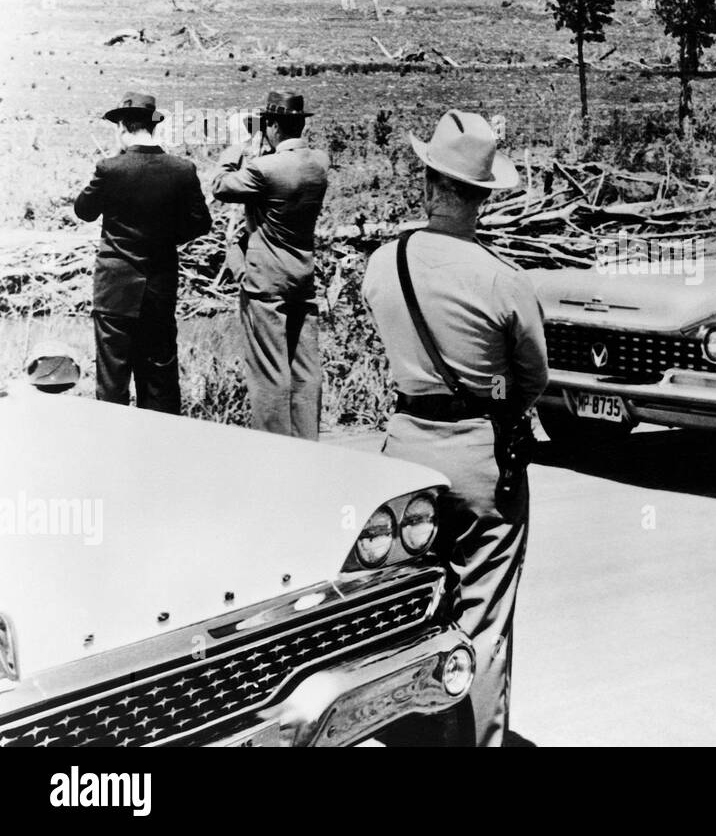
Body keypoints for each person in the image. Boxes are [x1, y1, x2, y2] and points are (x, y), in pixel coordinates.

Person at [362, 110, 547, 747]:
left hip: (404, 449)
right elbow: (533, 380)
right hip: (479, 455)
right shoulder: (502, 279)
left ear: (430, 185)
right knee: (484, 615)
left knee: (408, 609)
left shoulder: (385, 262)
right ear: (484, 197)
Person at [74, 91, 212, 412]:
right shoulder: (182, 169)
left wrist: (113, 157)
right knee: (160, 384)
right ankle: (161, 456)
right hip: (159, 291)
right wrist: (166, 238)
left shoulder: (110, 169)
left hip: (115, 293)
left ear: (122, 126)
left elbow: (84, 210)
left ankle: (114, 455)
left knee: (112, 385)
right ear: (154, 127)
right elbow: (200, 223)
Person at [213, 92, 328, 439]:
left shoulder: (264, 169)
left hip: (266, 283)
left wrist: (237, 148)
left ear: (274, 125)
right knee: (306, 370)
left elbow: (221, 186)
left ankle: (274, 451)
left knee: (269, 374)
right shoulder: (319, 162)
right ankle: (308, 443)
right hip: (302, 277)